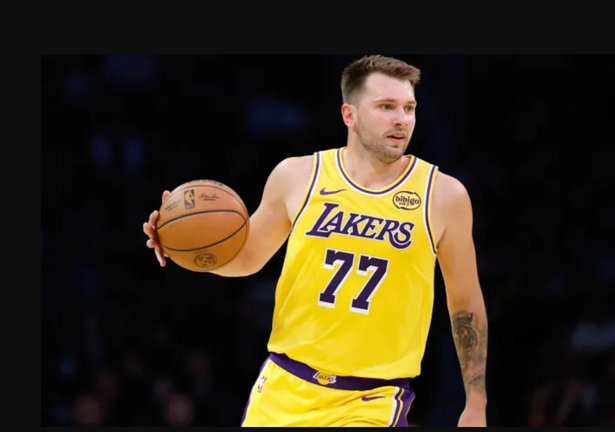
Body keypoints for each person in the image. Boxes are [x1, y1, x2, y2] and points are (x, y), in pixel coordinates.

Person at [142, 55, 488, 427]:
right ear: (349, 115)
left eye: (409, 108)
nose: (401, 119)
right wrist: (184, 245)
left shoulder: (443, 196)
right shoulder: (297, 176)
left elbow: (465, 301)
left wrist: (476, 401)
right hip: (283, 387)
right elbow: (247, 257)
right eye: (386, 107)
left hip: (369, 401)